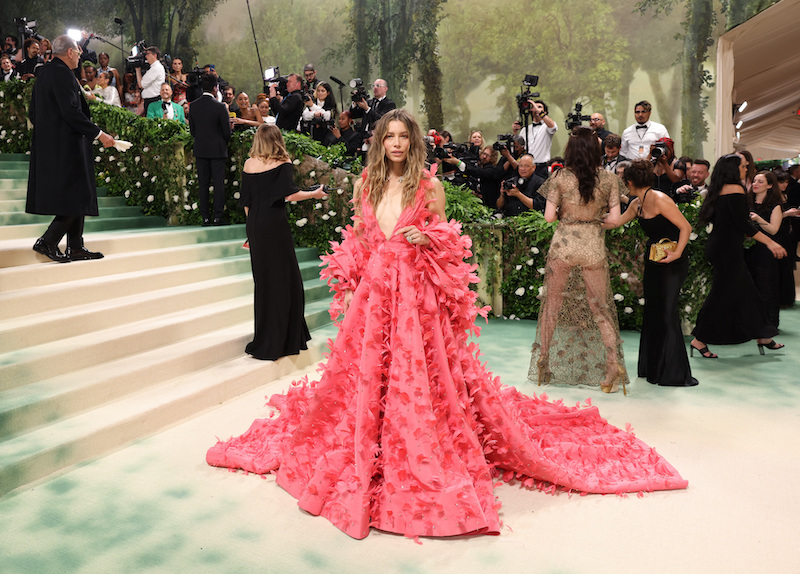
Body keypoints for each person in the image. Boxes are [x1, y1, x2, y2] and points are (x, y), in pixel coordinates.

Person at [206, 109, 688, 539]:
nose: (395, 143)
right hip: (375, 293)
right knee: (364, 374)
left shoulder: (429, 187)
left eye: (402, 136)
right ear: (380, 142)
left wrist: (425, 235)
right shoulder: (364, 184)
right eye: (388, 136)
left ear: (413, 142)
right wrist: (353, 284)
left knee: (420, 377)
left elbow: (448, 242)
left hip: (416, 294)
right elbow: (359, 238)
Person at [527, 127, 629, 394]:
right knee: (601, 309)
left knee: (552, 305)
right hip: (593, 246)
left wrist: (567, 214)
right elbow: (616, 220)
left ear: (571, 150)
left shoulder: (560, 177)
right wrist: (594, 220)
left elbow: (549, 217)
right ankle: (611, 366)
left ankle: (543, 362)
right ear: (596, 151)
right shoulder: (608, 178)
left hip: (563, 245)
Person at [25, 35, 116, 263]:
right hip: (68, 145)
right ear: (69, 53)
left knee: (76, 194)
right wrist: (99, 133)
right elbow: (71, 112)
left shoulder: (44, 73)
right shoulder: (63, 74)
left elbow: (33, 114)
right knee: (79, 194)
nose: (80, 54)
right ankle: (48, 241)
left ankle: (75, 247)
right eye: (78, 51)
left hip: (54, 144)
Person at [607, 159, 698, 387]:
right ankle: (654, 368)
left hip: (673, 260)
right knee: (654, 311)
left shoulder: (659, 199)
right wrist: (583, 220)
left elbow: (685, 227)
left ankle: (673, 372)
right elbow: (615, 223)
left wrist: (677, 253)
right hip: (655, 260)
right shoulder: (637, 203)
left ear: (629, 181)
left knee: (667, 311)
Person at [240, 124, 327, 360]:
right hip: (275, 225)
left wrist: (252, 231)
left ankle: (266, 337)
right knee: (286, 280)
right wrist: (314, 194)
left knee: (265, 281)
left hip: (256, 225)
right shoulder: (283, 162)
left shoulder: (248, 165)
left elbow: (247, 203)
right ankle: (286, 339)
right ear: (278, 139)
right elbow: (290, 195)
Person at [690, 154, 787, 358]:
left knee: (747, 291)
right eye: (743, 167)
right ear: (734, 170)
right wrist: (770, 242)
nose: (746, 169)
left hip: (723, 248)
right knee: (721, 295)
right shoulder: (735, 189)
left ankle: (764, 336)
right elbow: (743, 224)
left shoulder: (719, 189)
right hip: (726, 251)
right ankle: (699, 339)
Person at [189, 73, 232, 226]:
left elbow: (192, 131)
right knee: (219, 184)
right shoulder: (220, 107)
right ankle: (217, 217)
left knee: (203, 184)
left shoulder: (193, 106)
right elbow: (227, 132)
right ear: (215, 88)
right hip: (218, 150)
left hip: (201, 150)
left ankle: (205, 218)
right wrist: (222, 142)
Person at [744, 170, 784, 330]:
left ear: (769, 185)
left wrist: (759, 219)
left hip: (766, 251)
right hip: (746, 249)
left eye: (760, 182)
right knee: (748, 286)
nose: (755, 184)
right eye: (754, 181)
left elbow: (774, 230)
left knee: (766, 287)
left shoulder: (775, 206)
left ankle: (768, 325)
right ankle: (749, 322)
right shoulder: (746, 202)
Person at [136, 46, 165, 116]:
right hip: (149, 101)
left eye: (148, 54)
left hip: (153, 100)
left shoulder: (156, 68)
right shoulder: (153, 68)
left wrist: (137, 70)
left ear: (154, 55)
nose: (146, 57)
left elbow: (141, 85)